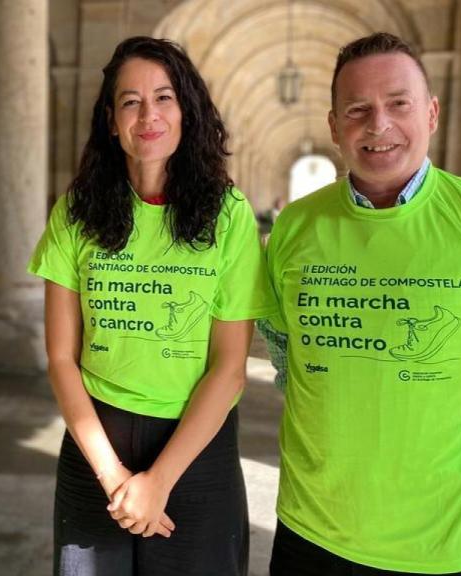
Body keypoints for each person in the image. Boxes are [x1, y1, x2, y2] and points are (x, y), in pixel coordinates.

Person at [258, 32, 461, 575]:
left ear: (431, 113)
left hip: (441, 544)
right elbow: (283, 339)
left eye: (398, 104)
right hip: (309, 530)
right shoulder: (296, 227)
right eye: (357, 109)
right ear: (334, 127)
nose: (378, 125)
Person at [28, 36, 278, 576]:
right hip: (96, 449)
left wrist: (158, 481)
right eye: (130, 101)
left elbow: (230, 368)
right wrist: (115, 479)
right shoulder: (75, 212)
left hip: (195, 450)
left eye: (164, 98)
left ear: (187, 111)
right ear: (111, 120)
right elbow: (62, 359)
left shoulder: (227, 215)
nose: (149, 115)